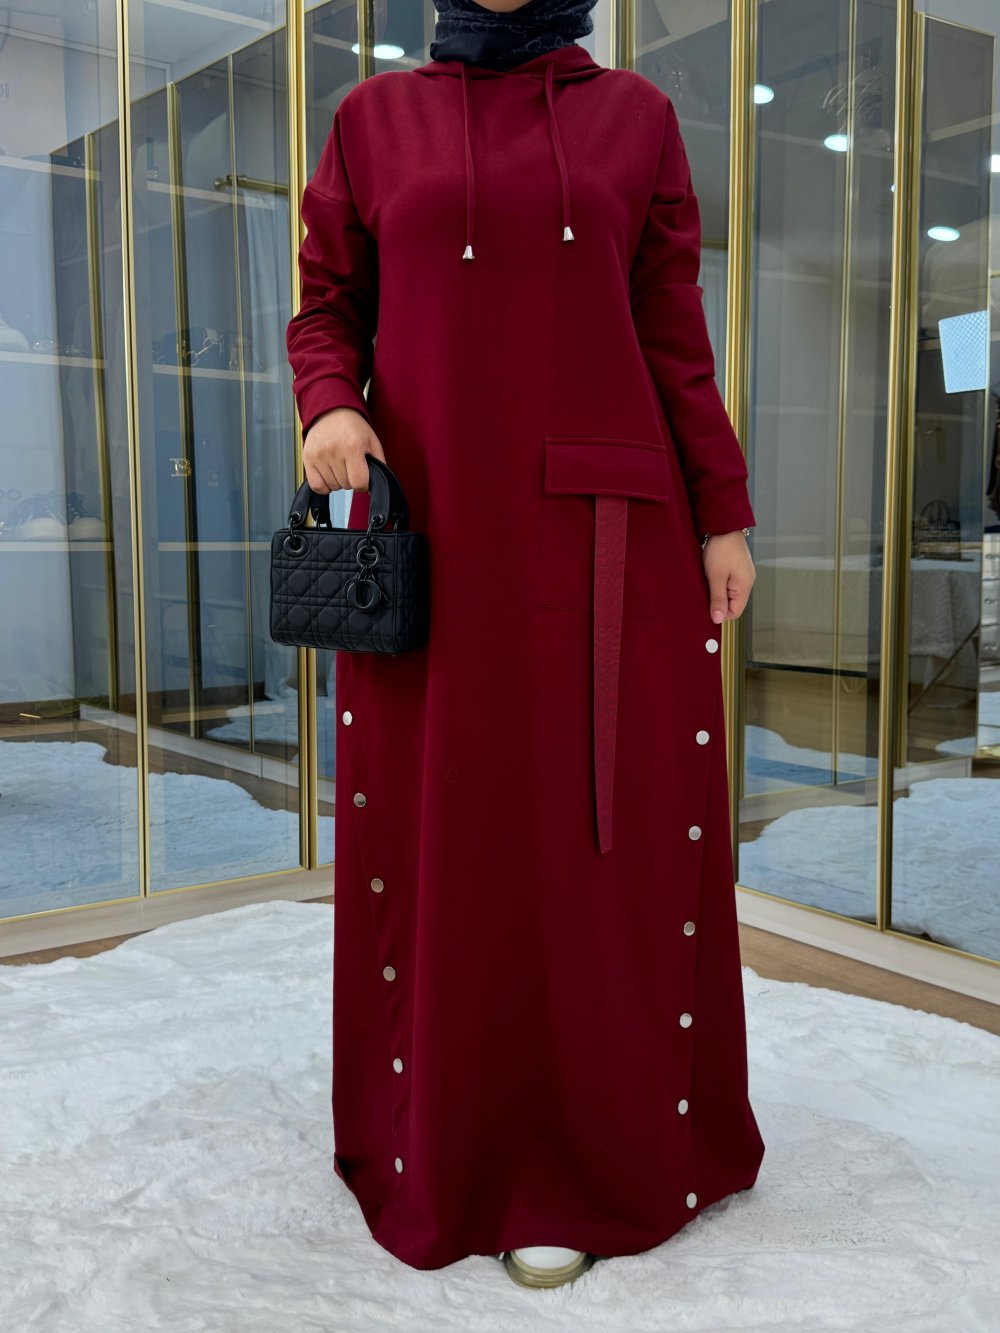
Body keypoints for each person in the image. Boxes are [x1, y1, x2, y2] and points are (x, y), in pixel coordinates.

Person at [285, 0, 765, 1290]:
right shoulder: (373, 121)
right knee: (453, 836)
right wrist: (328, 404)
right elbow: (326, 305)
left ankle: (579, 1158)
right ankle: (450, 1141)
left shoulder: (636, 119)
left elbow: (672, 331)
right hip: (434, 535)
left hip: (608, 535)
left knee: (592, 847)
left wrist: (722, 513)